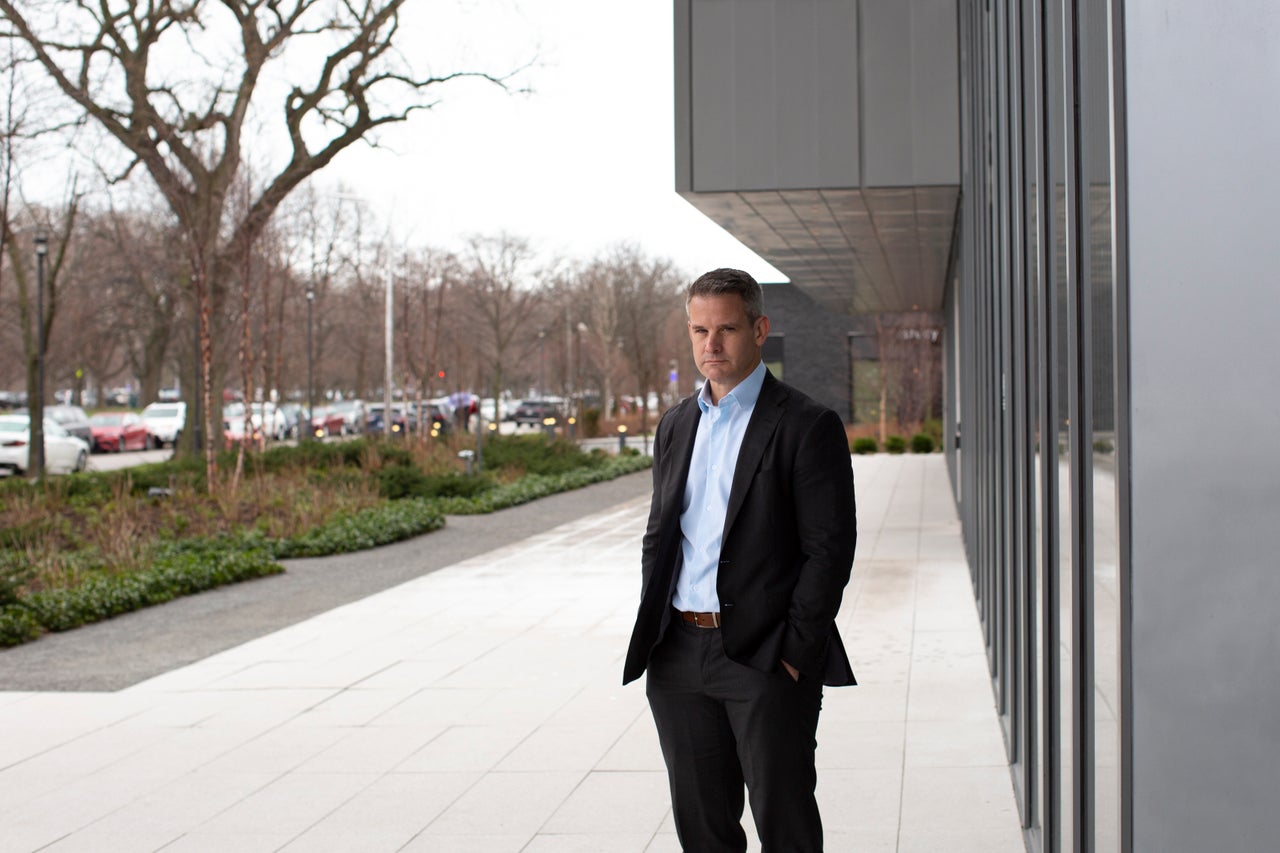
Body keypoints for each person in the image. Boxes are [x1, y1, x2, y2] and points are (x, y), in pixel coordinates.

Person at [623, 268, 858, 852]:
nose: (711, 345)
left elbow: (828, 550)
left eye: (726, 329)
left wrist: (796, 653)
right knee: (702, 830)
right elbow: (662, 535)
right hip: (678, 654)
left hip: (766, 657)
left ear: (759, 328)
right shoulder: (677, 423)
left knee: (786, 825)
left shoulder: (808, 425)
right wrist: (655, 635)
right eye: (699, 330)